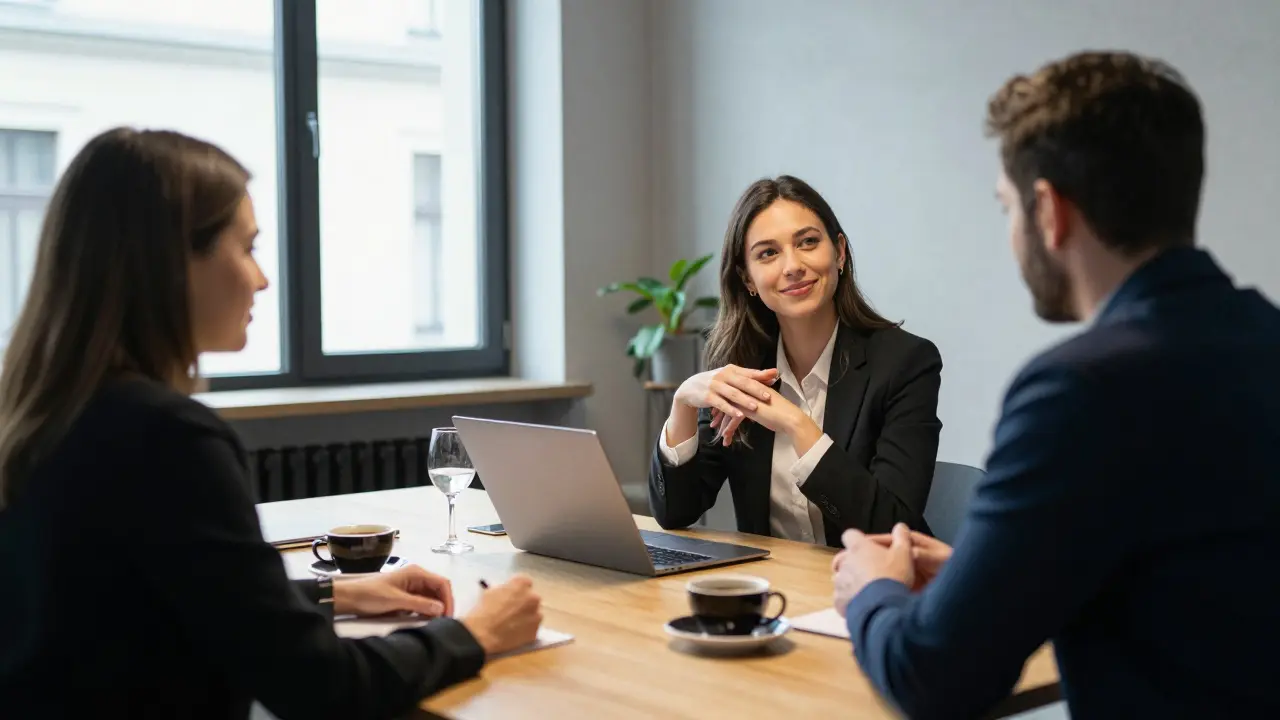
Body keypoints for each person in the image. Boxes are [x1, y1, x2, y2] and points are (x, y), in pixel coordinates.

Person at [0, 128, 544, 719]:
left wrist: (337, 593)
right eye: (248, 248)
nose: (261, 279)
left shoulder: (44, 413)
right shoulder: (165, 439)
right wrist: (476, 634)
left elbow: (152, 602)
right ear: (173, 263)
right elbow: (322, 688)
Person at [832, 51, 1280, 718]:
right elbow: (1201, 583)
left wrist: (872, 590)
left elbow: (933, 676)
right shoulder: (1262, 337)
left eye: (1008, 206)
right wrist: (986, 574)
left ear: (1049, 211)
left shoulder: (1080, 390)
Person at [649, 175, 943, 547]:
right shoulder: (741, 363)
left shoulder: (906, 363)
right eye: (768, 253)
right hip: (779, 593)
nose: (792, 266)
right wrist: (683, 404)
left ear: (839, 252)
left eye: (807, 242)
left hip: (874, 590)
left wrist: (795, 423)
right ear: (748, 278)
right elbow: (676, 512)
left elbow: (892, 527)